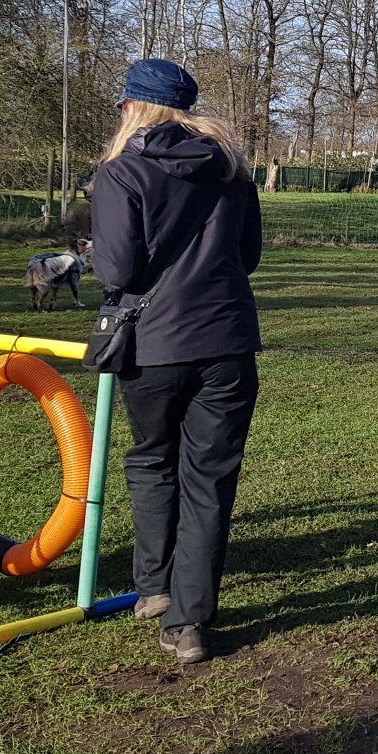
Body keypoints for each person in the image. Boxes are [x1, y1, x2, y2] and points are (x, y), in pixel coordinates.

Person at [91, 59, 263, 663]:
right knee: (210, 482)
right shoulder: (234, 172)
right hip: (229, 342)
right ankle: (190, 624)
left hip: (156, 346)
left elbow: (116, 271)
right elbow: (249, 257)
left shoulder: (122, 175)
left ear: (135, 108)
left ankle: (154, 588)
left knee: (151, 461)